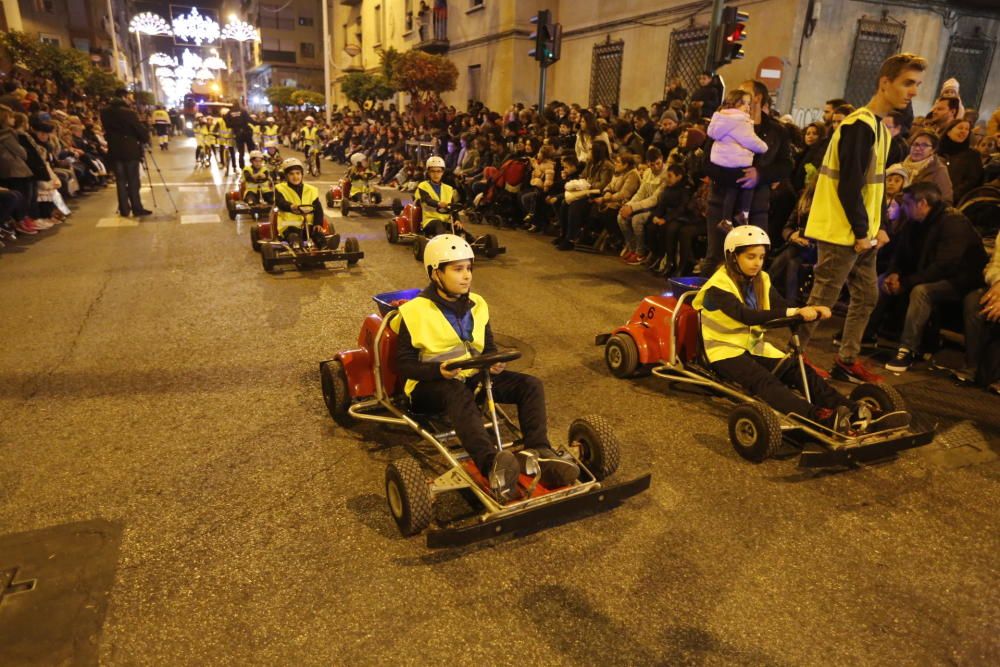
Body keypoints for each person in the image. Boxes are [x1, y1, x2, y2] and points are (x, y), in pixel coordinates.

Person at [393, 234, 579, 500]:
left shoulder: (478, 304)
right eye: (457, 269)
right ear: (436, 274)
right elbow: (403, 365)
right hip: (428, 389)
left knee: (530, 385)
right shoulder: (414, 312)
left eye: (469, 268)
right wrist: (438, 371)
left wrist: (494, 362)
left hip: (473, 377)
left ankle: (540, 451)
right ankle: (490, 463)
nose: (467, 276)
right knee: (457, 393)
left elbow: (488, 346)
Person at [800, 52, 927, 383]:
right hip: (843, 233)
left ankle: (846, 360)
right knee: (821, 302)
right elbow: (849, 187)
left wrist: (880, 227)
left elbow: (876, 187)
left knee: (866, 297)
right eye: (908, 83)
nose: (913, 92)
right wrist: (861, 231)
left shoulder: (878, 128)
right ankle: (791, 359)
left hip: (862, 234)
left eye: (917, 85)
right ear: (885, 83)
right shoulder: (859, 126)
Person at [692, 226, 878, 434]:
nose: (757, 263)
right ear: (733, 257)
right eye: (750, 257)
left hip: (752, 346)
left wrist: (807, 310)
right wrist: (792, 312)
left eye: (761, 257)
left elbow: (780, 305)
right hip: (723, 352)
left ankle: (851, 409)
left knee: (797, 368)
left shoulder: (761, 279)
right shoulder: (718, 286)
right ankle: (816, 417)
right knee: (765, 381)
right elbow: (746, 316)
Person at [872, 182, 987, 373]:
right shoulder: (914, 223)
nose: (904, 208)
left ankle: (907, 349)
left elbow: (945, 266)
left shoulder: (953, 223)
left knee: (921, 292)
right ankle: (866, 333)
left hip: (960, 281)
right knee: (882, 279)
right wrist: (894, 273)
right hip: (929, 273)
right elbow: (901, 253)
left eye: (908, 204)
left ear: (922, 203)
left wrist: (906, 282)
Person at [702, 80, 792, 274]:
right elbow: (707, 163)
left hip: (756, 207)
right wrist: (737, 177)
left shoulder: (777, 131)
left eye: (743, 94)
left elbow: (786, 165)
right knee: (716, 256)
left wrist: (760, 175)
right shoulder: (724, 123)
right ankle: (706, 303)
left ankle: (746, 303)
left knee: (753, 262)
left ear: (757, 98)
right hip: (721, 203)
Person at [706, 88, 769, 228]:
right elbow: (751, 141)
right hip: (736, 162)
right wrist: (764, 147)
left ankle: (726, 220)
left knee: (732, 189)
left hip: (723, 163)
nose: (748, 107)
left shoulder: (721, 119)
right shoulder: (739, 121)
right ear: (734, 104)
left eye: (749, 104)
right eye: (744, 103)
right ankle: (743, 213)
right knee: (749, 184)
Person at [100, 88, 151, 218]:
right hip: (130, 150)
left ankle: (124, 209)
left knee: (121, 181)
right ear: (124, 97)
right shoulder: (128, 113)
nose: (130, 99)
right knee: (133, 180)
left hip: (115, 150)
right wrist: (145, 136)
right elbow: (139, 130)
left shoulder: (104, 112)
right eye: (129, 96)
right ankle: (136, 207)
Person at [273, 158, 326, 248]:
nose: (295, 177)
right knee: (293, 236)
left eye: (298, 173)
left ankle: (324, 244)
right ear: (286, 176)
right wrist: (290, 206)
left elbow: (318, 208)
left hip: (308, 224)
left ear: (302, 174)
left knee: (317, 233)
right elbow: (280, 202)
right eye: (291, 174)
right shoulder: (280, 188)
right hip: (289, 225)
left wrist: (318, 223)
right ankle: (296, 244)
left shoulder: (311, 190)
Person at [900, 129, 954, 204]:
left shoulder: (938, 170)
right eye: (915, 144)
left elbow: (946, 200)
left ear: (933, 150)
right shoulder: (900, 166)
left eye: (924, 145)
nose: (918, 148)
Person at [936, 118, 984, 203]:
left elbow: (973, 181)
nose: (964, 131)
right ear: (949, 132)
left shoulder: (972, 155)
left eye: (967, 129)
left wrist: (952, 194)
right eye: (960, 128)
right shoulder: (937, 152)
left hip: (955, 200)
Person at [414, 155, 459, 237]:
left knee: (458, 228)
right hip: (429, 221)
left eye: (438, 171)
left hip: (445, 221)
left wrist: (457, 220)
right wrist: (439, 203)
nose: (436, 174)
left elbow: (453, 207)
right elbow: (427, 200)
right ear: (428, 172)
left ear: (442, 172)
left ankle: (475, 244)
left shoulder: (448, 189)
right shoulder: (423, 186)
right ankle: (441, 244)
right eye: (433, 171)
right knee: (438, 224)